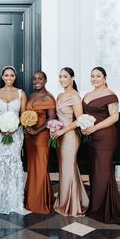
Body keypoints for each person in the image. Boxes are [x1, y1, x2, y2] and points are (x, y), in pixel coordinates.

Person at [0, 66, 27, 214]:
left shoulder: (21, 93)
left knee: (13, 161)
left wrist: (15, 127)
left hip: (16, 133)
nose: (9, 78)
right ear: (2, 77)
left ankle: (13, 199)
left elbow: (24, 115)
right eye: (6, 75)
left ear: (15, 77)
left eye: (11, 75)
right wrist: (0, 128)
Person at [82, 67, 120, 224]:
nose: (95, 78)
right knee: (95, 171)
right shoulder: (88, 94)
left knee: (103, 172)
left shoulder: (111, 95)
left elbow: (114, 117)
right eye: (92, 76)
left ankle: (104, 210)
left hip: (105, 137)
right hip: (91, 138)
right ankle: (97, 205)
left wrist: (94, 128)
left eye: (98, 76)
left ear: (105, 77)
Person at [53, 67, 89, 217]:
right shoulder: (60, 95)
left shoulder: (75, 96)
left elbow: (80, 120)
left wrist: (62, 130)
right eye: (60, 76)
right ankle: (68, 199)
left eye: (65, 76)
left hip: (70, 137)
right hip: (60, 136)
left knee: (68, 167)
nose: (62, 79)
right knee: (66, 168)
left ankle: (71, 205)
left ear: (72, 78)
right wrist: (55, 127)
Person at [24, 71, 56, 213]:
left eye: (40, 79)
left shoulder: (49, 97)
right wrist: (27, 127)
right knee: (32, 167)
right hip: (30, 137)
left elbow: (51, 119)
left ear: (45, 80)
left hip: (41, 136)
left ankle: (41, 202)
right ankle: (31, 199)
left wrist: (36, 131)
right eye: (34, 78)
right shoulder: (31, 96)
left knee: (41, 167)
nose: (37, 81)